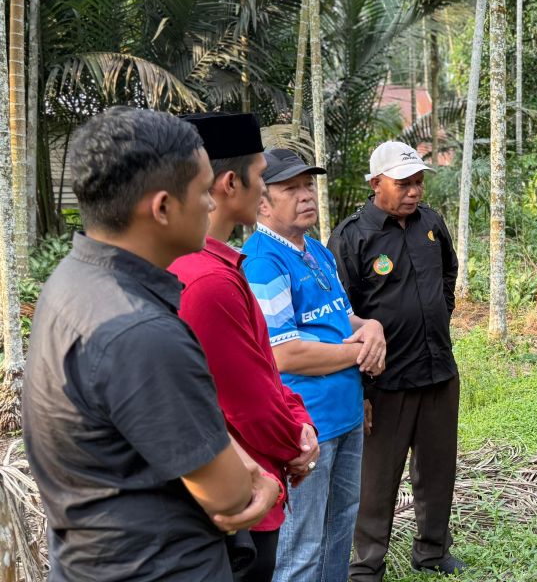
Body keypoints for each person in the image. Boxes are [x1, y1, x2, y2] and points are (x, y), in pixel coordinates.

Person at [23, 107, 279, 582]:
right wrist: (262, 483)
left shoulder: (72, 280)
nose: (209, 204)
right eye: (203, 191)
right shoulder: (142, 333)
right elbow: (226, 497)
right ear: (162, 208)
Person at [168, 114, 319, 582]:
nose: (267, 191)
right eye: (262, 177)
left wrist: (298, 418)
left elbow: (262, 374)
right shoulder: (209, 280)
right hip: (244, 489)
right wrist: (296, 441)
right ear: (230, 183)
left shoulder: (212, 265)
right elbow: (246, 400)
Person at [241, 149, 387, 582]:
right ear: (263, 202)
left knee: (339, 529)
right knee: (301, 546)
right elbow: (285, 353)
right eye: (291, 188)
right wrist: (361, 352)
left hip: (343, 413)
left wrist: (372, 326)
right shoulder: (263, 262)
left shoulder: (317, 251)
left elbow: (342, 319)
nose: (306, 196)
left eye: (308, 186)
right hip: (306, 425)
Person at [329, 141, 464, 579]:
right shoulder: (353, 236)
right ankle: (367, 565)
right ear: (376, 184)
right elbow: (339, 312)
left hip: (438, 371)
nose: (414, 191)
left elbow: (449, 270)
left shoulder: (431, 224)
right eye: (403, 183)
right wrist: (361, 388)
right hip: (384, 382)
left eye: (419, 182)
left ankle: (431, 552)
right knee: (377, 479)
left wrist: (440, 311)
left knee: (438, 470)